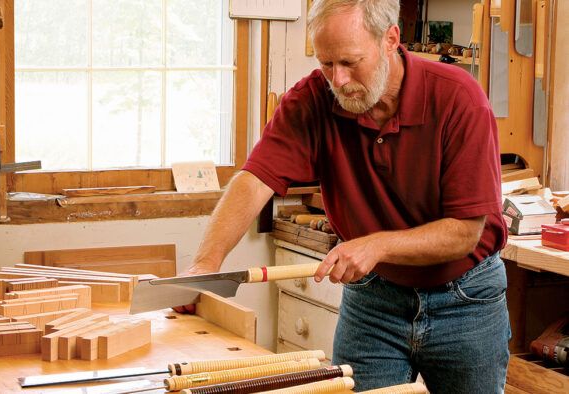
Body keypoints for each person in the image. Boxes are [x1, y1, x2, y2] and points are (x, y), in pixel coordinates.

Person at [176, 0, 510, 392]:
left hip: (464, 297)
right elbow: (254, 180)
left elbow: (464, 232)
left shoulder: (458, 98)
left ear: (390, 39)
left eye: (351, 62)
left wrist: (377, 246)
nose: (339, 80)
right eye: (326, 64)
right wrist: (206, 265)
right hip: (375, 298)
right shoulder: (313, 98)